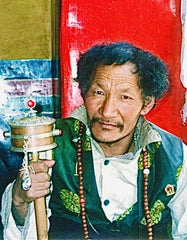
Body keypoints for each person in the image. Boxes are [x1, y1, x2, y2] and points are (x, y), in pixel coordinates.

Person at [1, 42, 187, 239]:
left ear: (146, 104)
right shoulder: (51, 143)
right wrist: (20, 200)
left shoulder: (175, 156)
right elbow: (25, 229)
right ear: (84, 92)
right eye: (98, 93)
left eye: (124, 97)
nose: (107, 111)